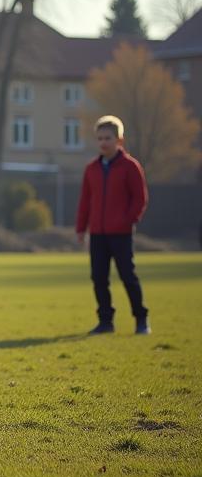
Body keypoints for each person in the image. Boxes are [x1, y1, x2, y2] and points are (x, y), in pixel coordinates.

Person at [75, 115, 150, 335]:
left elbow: (140, 198)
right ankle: (106, 321)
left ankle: (141, 319)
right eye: (99, 138)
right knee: (98, 278)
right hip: (97, 233)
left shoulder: (130, 167)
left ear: (119, 140)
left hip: (121, 233)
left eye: (107, 138)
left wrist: (127, 220)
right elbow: (85, 201)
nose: (103, 143)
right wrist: (81, 228)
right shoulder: (91, 169)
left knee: (128, 275)